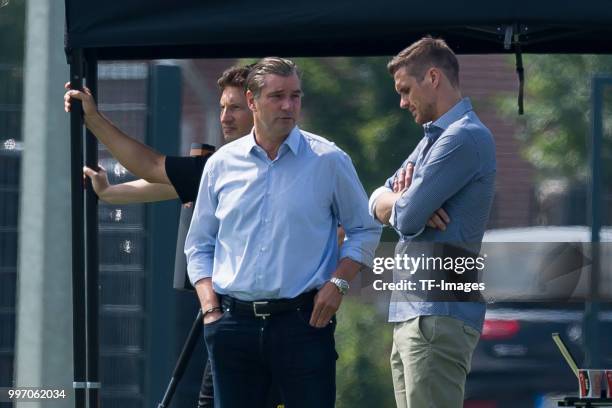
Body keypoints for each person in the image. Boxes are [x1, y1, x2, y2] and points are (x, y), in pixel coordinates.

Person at [184, 57, 382, 408]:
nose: (289, 106)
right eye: (277, 96)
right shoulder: (221, 164)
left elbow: (365, 228)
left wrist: (338, 284)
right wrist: (210, 308)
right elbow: (199, 245)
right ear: (252, 100)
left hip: (304, 324)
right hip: (232, 326)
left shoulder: (329, 160)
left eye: (295, 95)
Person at [65, 65, 256, 408]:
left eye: (236, 108)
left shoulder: (255, 164)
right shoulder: (219, 164)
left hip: (261, 320)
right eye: (223, 107)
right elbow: (167, 182)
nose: (225, 117)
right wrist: (110, 193)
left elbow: (150, 165)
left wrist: (93, 120)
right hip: (222, 312)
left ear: (258, 107)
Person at [368, 37, 496, 408]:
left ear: (434, 77)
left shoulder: (463, 138)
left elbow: (406, 218)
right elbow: (377, 198)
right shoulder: (433, 140)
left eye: (406, 90)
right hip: (416, 314)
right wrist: (401, 200)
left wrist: (405, 205)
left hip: (437, 316)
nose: (403, 102)